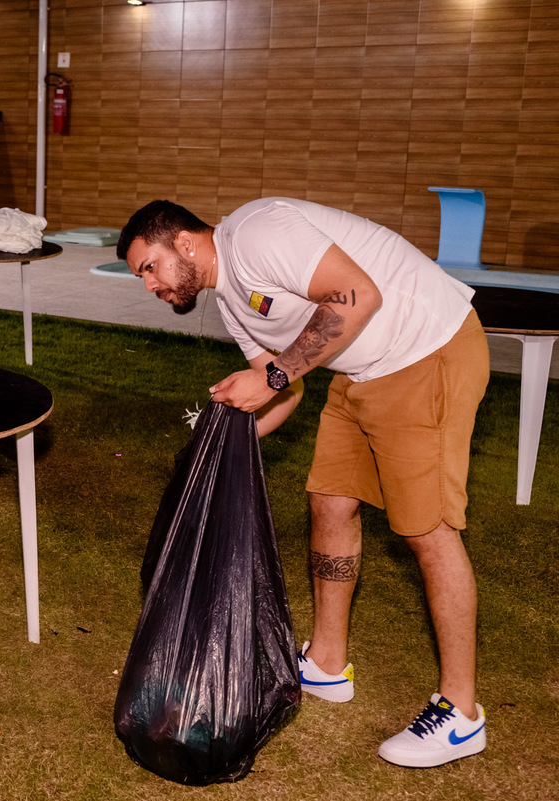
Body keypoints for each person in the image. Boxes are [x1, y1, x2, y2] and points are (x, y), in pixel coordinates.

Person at [118, 197, 490, 769]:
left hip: (427, 351)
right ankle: (326, 662)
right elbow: (283, 393)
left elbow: (356, 295)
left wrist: (271, 374)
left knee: (428, 529)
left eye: (149, 267)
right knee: (330, 502)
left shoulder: (257, 232)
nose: (149, 285)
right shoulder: (232, 304)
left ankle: (461, 714)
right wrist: (215, 446)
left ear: (184, 244)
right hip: (361, 368)